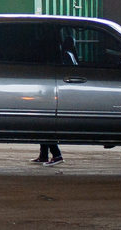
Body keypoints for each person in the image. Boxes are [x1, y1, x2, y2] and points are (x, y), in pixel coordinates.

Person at [33, 35, 79, 166]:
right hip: (51, 95)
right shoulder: (66, 55)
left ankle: (56, 155)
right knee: (44, 124)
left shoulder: (61, 57)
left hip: (52, 96)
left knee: (45, 125)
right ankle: (43, 155)